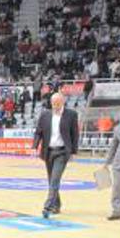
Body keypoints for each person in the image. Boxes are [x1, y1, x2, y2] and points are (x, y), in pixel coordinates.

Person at [32, 91, 79, 219]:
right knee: (51, 180)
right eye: (53, 103)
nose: (56, 106)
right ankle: (57, 205)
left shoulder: (71, 115)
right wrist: (34, 146)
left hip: (62, 152)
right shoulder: (45, 115)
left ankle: (47, 207)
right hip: (48, 152)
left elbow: (75, 134)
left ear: (63, 102)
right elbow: (38, 132)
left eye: (58, 103)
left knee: (55, 179)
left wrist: (74, 151)